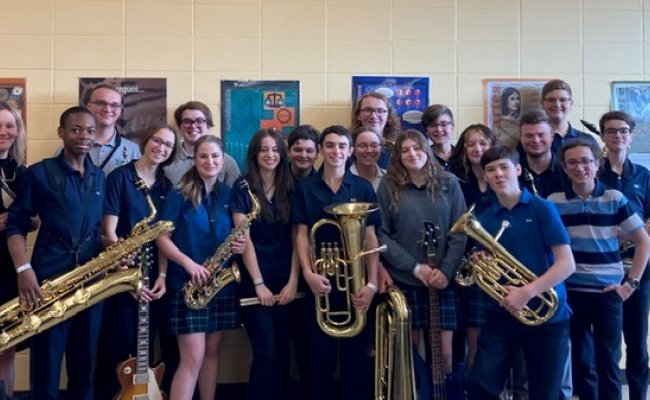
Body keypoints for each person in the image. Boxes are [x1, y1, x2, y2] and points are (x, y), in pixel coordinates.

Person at [7, 106, 105, 400]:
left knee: (84, 366)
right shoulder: (39, 173)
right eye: (75, 129)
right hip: (48, 283)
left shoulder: (99, 177)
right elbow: (15, 225)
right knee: (46, 368)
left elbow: (97, 229)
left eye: (90, 130)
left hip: (91, 283)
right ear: (61, 133)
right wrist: (24, 271)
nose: (83, 136)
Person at [468, 146, 575, 400]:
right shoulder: (485, 218)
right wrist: (480, 260)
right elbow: (488, 263)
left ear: (517, 169)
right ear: (485, 176)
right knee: (480, 384)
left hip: (548, 315)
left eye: (504, 167)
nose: (498, 174)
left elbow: (566, 264)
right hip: (502, 313)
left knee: (544, 392)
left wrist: (526, 292)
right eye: (491, 170)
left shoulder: (542, 209)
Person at [548, 138, 650, 399]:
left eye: (586, 161)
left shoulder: (614, 198)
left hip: (608, 293)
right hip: (572, 293)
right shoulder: (554, 202)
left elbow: (643, 241)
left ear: (597, 164)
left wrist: (631, 284)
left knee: (609, 364)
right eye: (573, 162)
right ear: (564, 167)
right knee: (582, 364)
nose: (580, 167)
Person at [292, 125, 380, 400]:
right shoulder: (305, 188)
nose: (336, 151)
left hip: (356, 285)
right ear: (320, 150)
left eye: (342, 146)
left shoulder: (363, 188)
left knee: (356, 358)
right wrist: (307, 273)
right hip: (321, 285)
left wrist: (372, 284)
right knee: (319, 359)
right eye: (330, 145)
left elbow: (370, 237)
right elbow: (302, 233)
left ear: (350, 151)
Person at [156, 134, 245, 400]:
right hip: (187, 284)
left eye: (215, 156)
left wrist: (238, 248)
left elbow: (235, 234)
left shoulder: (229, 194)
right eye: (203, 156)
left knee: (210, 353)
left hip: (219, 285)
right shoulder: (179, 194)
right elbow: (161, 238)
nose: (210, 161)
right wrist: (188, 263)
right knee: (192, 358)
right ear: (195, 160)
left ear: (223, 160)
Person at [94, 124, 179, 399]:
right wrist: (128, 278)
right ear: (146, 140)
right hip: (122, 274)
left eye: (168, 145)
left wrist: (163, 277)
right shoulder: (120, 177)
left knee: (157, 345)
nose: (161, 148)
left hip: (156, 277)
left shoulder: (167, 186)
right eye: (157, 140)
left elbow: (166, 237)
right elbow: (108, 233)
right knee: (118, 346)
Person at [376, 129, 466, 383]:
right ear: (398, 156)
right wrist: (416, 268)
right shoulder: (388, 185)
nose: (412, 154)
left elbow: (460, 231)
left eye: (416, 148)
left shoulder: (450, 182)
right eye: (404, 150)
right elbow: (381, 234)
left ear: (426, 150)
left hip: (443, 279)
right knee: (410, 354)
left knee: (444, 356)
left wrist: (445, 272)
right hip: (406, 278)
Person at [232, 128, 298, 400]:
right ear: (254, 154)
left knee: (284, 351)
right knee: (266, 351)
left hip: (288, 280)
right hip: (254, 280)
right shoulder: (242, 187)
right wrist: (259, 284)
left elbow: (299, 238)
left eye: (275, 150)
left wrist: (293, 282)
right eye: (263, 149)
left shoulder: (292, 186)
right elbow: (243, 237)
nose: (270, 155)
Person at [598, 111, 650, 400]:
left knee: (637, 342)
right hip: (605, 267)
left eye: (623, 131)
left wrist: (627, 232)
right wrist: (635, 230)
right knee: (607, 345)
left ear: (632, 136)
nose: (617, 136)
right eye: (611, 131)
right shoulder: (594, 173)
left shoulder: (644, 176)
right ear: (603, 136)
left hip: (639, 271)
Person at [447, 124, 498, 385]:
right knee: (472, 335)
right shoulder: (456, 182)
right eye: (470, 144)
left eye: (483, 143)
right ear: (463, 150)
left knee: (500, 336)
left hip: (499, 269)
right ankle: (473, 388)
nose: (477, 149)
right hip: (467, 268)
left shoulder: (502, 179)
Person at [0, 102, 35, 399]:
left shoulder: (21, 172)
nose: (4, 132)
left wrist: (17, 219)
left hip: (12, 266)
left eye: (10, 125)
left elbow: (34, 218)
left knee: (7, 344)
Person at [164, 101, 240, 187]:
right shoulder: (167, 159)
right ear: (179, 127)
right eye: (187, 121)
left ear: (208, 126)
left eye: (199, 121)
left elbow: (235, 197)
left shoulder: (228, 163)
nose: (193, 126)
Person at [83, 84, 141, 174]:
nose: (107, 109)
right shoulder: (69, 147)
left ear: (120, 110)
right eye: (101, 103)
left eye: (114, 105)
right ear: (89, 106)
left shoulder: (133, 150)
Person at [539, 79, 599, 155]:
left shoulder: (587, 140)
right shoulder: (533, 141)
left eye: (562, 100)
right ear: (542, 103)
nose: (557, 105)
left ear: (571, 104)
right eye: (551, 100)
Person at [517, 110, 566, 199]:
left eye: (541, 135)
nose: (536, 140)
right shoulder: (512, 174)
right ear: (520, 138)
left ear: (552, 136)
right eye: (529, 136)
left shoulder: (568, 172)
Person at [351, 92, 401, 169]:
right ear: (358, 115)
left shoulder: (399, 147)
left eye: (380, 111)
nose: (373, 116)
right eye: (368, 110)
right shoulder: (346, 146)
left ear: (388, 116)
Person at [350, 127, 386, 191]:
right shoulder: (342, 179)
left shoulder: (389, 179)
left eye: (374, 145)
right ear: (353, 150)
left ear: (381, 148)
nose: (369, 150)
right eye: (362, 146)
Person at [421, 104, 455, 170]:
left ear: (452, 127)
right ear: (426, 130)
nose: (439, 129)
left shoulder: (463, 156)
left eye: (444, 124)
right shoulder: (423, 159)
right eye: (433, 125)